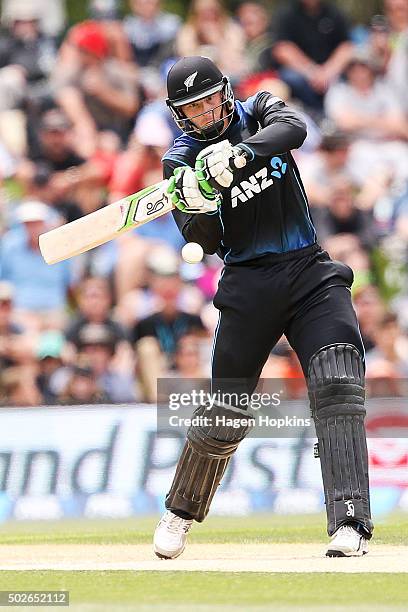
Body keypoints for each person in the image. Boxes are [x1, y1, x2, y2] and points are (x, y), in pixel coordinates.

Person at [153, 55, 373, 559]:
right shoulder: (178, 162)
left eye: (210, 100)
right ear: (180, 115)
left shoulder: (258, 108)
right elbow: (202, 241)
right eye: (194, 109)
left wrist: (237, 153)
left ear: (225, 93)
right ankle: (181, 512)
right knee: (227, 406)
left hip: (308, 269)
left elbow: (297, 128)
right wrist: (199, 202)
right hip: (248, 285)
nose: (206, 114)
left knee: (338, 378)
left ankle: (350, 522)